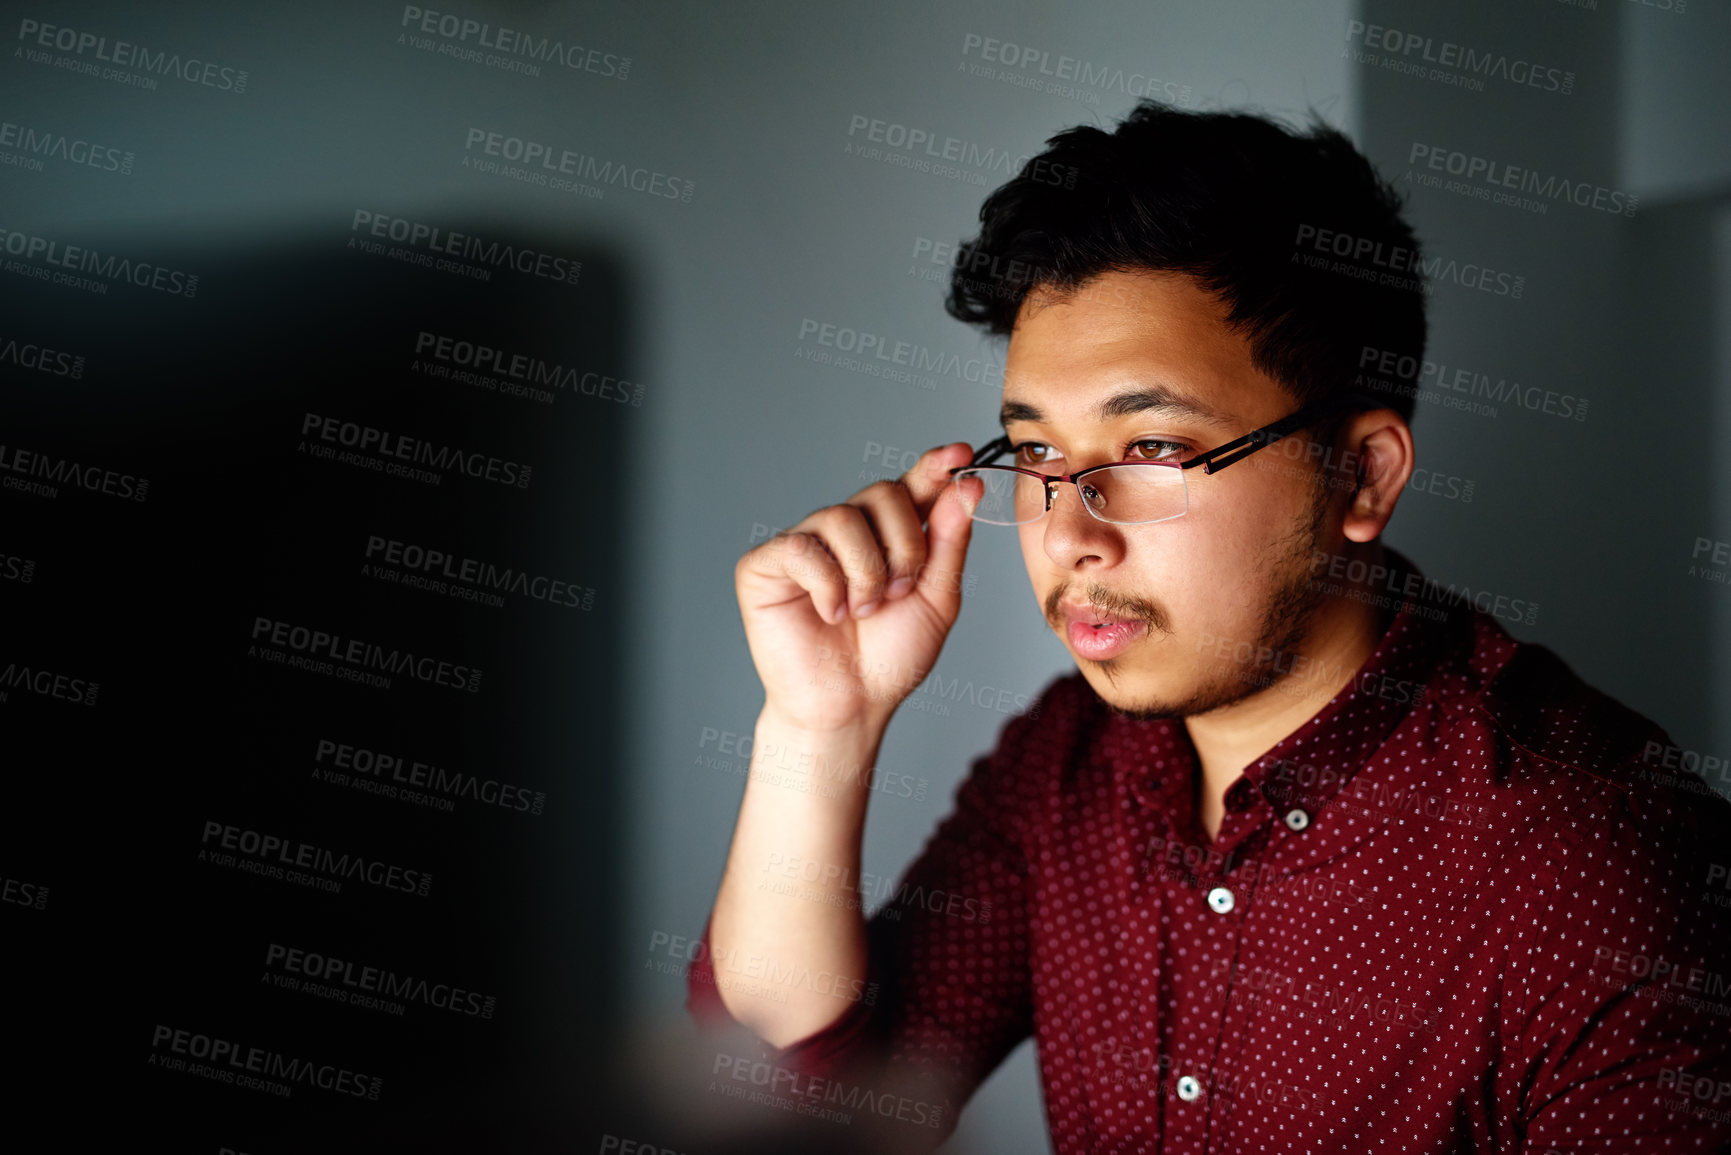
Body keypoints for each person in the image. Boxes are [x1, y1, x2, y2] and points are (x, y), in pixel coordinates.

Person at [684, 103, 1731, 1153]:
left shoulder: (1606, 868)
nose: (1069, 537)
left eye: (1150, 451)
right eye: (1040, 457)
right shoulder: (1068, 764)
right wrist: (820, 729)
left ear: (1359, 474)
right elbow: (804, 1113)